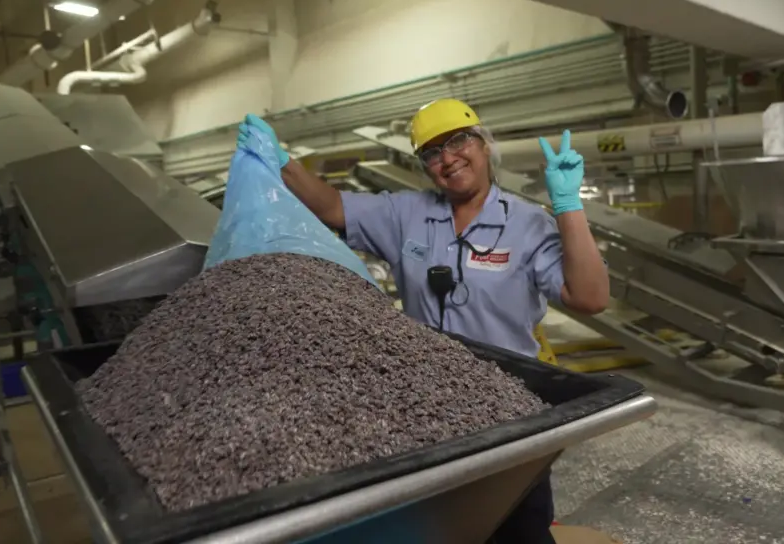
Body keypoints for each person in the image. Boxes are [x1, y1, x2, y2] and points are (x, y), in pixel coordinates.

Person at [236, 98, 609, 543]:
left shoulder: (528, 225)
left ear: (484, 144)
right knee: (439, 526)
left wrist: (568, 204)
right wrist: (281, 162)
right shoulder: (404, 214)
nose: (447, 159)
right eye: (431, 153)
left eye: (457, 141)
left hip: (507, 409)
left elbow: (589, 297)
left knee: (517, 525)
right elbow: (333, 206)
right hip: (424, 404)